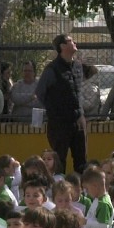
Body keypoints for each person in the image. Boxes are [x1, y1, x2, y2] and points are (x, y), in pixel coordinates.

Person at [36, 34, 87, 175]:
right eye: (70, 41)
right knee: (59, 160)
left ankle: (81, 191)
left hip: (77, 121)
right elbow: (40, 93)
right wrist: (54, 109)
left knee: (81, 160)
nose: (74, 42)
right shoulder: (52, 69)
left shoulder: (77, 66)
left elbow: (78, 91)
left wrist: (81, 115)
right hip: (59, 123)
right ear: (62, 46)